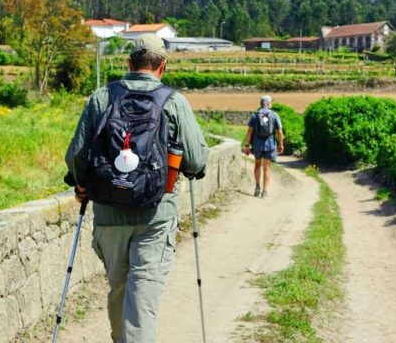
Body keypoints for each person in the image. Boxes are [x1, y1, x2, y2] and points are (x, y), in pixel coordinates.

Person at [65, 34, 209, 343]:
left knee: (120, 289)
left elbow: (76, 155)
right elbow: (196, 161)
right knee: (141, 300)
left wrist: (81, 185)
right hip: (156, 215)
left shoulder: (102, 98)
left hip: (109, 214)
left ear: (129, 64)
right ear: (163, 66)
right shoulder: (173, 101)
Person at [243, 95, 284, 199]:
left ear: (261, 104)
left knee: (257, 165)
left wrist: (247, 145)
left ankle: (257, 186)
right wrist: (281, 145)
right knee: (267, 168)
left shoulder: (255, 116)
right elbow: (279, 132)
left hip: (257, 144)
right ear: (268, 103)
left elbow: (249, 132)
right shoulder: (274, 115)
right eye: (271, 102)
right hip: (269, 144)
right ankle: (265, 192)